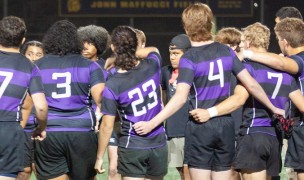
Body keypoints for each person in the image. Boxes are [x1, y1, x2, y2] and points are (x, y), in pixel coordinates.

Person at [132, 3, 283, 180]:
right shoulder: (226, 51)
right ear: (210, 22)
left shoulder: (189, 57)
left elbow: (180, 97)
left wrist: (152, 123)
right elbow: (252, 85)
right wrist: (274, 107)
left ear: (186, 26)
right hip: (225, 125)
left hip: (200, 125)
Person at [34, 20, 105, 180]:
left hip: (49, 132)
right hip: (82, 132)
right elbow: (102, 101)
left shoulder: (38, 66)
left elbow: (31, 102)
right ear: (76, 41)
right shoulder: (91, 66)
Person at [94, 26, 168, 180]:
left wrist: (100, 157)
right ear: (136, 45)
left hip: (132, 143)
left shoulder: (113, 84)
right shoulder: (153, 64)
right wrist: (130, 50)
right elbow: (153, 49)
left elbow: (107, 126)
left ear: (113, 47)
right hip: (159, 142)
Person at [241, 18, 304, 180]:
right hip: (275, 136)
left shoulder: (248, 67)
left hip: (253, 131)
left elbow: (239, 99)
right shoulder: (285, 75)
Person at [0, 16, 48, 180]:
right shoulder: (29, 67)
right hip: (8, 130)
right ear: (23, 40)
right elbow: (41, 107)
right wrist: (41, 128)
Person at [78, 24, 120, 180]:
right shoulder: (76, 66)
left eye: (91, 42)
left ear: (100, 44)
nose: (85, 47)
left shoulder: (109, 68)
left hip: (106, 122)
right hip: (84, 125)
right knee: (87, 171)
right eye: (82, 42)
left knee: (114, 169)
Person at [214, 27, 243, 180]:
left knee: (241, 170)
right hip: (222, 125)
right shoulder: (215, 68)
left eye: (235, 45)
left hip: (241, 126)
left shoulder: (243, 67)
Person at [161, 34, 191, 180]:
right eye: (171, 53)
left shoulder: (194, 71)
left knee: (189, 170)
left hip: (190, 129)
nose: (172, 57)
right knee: (181, 172)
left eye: (176, 53)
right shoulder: (166, 72)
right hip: (173, 130)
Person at [17, 40, 45, 180]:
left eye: (38, 54)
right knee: (24, 171)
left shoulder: (48, 78)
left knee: (42, 171)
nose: (34, 58)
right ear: (24, 55)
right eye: (30, 54)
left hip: (42, 131)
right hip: (23, 131)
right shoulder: (18, 75)